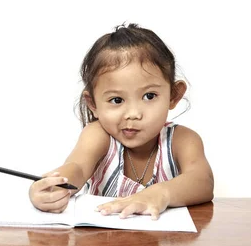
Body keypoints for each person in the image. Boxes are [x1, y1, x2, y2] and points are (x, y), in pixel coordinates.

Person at [29, 23, 214, 219]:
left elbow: (203, 181)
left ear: (173, 96)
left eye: (149, 96)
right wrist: (52, 185)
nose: (133, 114)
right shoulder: (98, 135)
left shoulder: (182, 140)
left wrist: (160, 194)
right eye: (116, 100)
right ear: (93, 104)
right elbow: (77, 167)